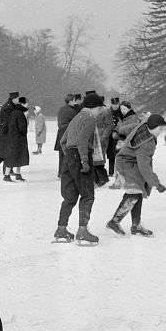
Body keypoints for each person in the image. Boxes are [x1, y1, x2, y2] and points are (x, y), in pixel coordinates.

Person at [53, 92, 105, 245]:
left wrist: (70, 157)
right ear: (94, 107)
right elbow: (82, 140)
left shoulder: (76, 117)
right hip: (80, 157)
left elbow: (63, 141)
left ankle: (61, 229)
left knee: (69, 196)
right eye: (100, 108)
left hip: (69, 158)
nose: (100, 111)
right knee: (88, 195)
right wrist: (83, 160)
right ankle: (82, 231)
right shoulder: (90, 118)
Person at [105, 114, 166, 237]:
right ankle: (114, 221)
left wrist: (119, 131)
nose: (161, 132)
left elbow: (126, 128)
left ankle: (136, 226)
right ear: (153, 127)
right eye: (160, 129)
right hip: (127, 164)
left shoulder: (144, 126)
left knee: (137, 193)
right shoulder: (146, 143)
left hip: (130, 162)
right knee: (133, 193)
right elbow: (144, 166)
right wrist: (156, 183)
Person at [0, 91, 20, 172]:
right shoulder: (9, 107)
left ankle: (7, 169)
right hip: (5, 132)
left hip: (4, 132)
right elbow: (8, 121)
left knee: (6, 151)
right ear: (13, 99)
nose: (18, 100)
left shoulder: (10, 105)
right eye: (17, 99)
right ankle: (3, 168)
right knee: (7, 151)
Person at [5, 96, 30, 181]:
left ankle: (17, 174)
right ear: (22, 103)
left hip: (14, 138)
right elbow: (22, 127)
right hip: (18, 138)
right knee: (14, 156)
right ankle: (7, 175)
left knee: (18, 156)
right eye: (27, 103)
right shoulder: (19, 113)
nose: (28, 105)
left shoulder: (15, 112)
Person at [54, 93, 77, 178]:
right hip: (68, 134)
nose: (75, 102)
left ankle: (60, 172)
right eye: (74, 100)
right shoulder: (72, 111)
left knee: (61, 155)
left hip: (60, 133)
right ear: (70, 101)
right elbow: (75, 124)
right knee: (68, 154)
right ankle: (66, 172)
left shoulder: (61, 109)